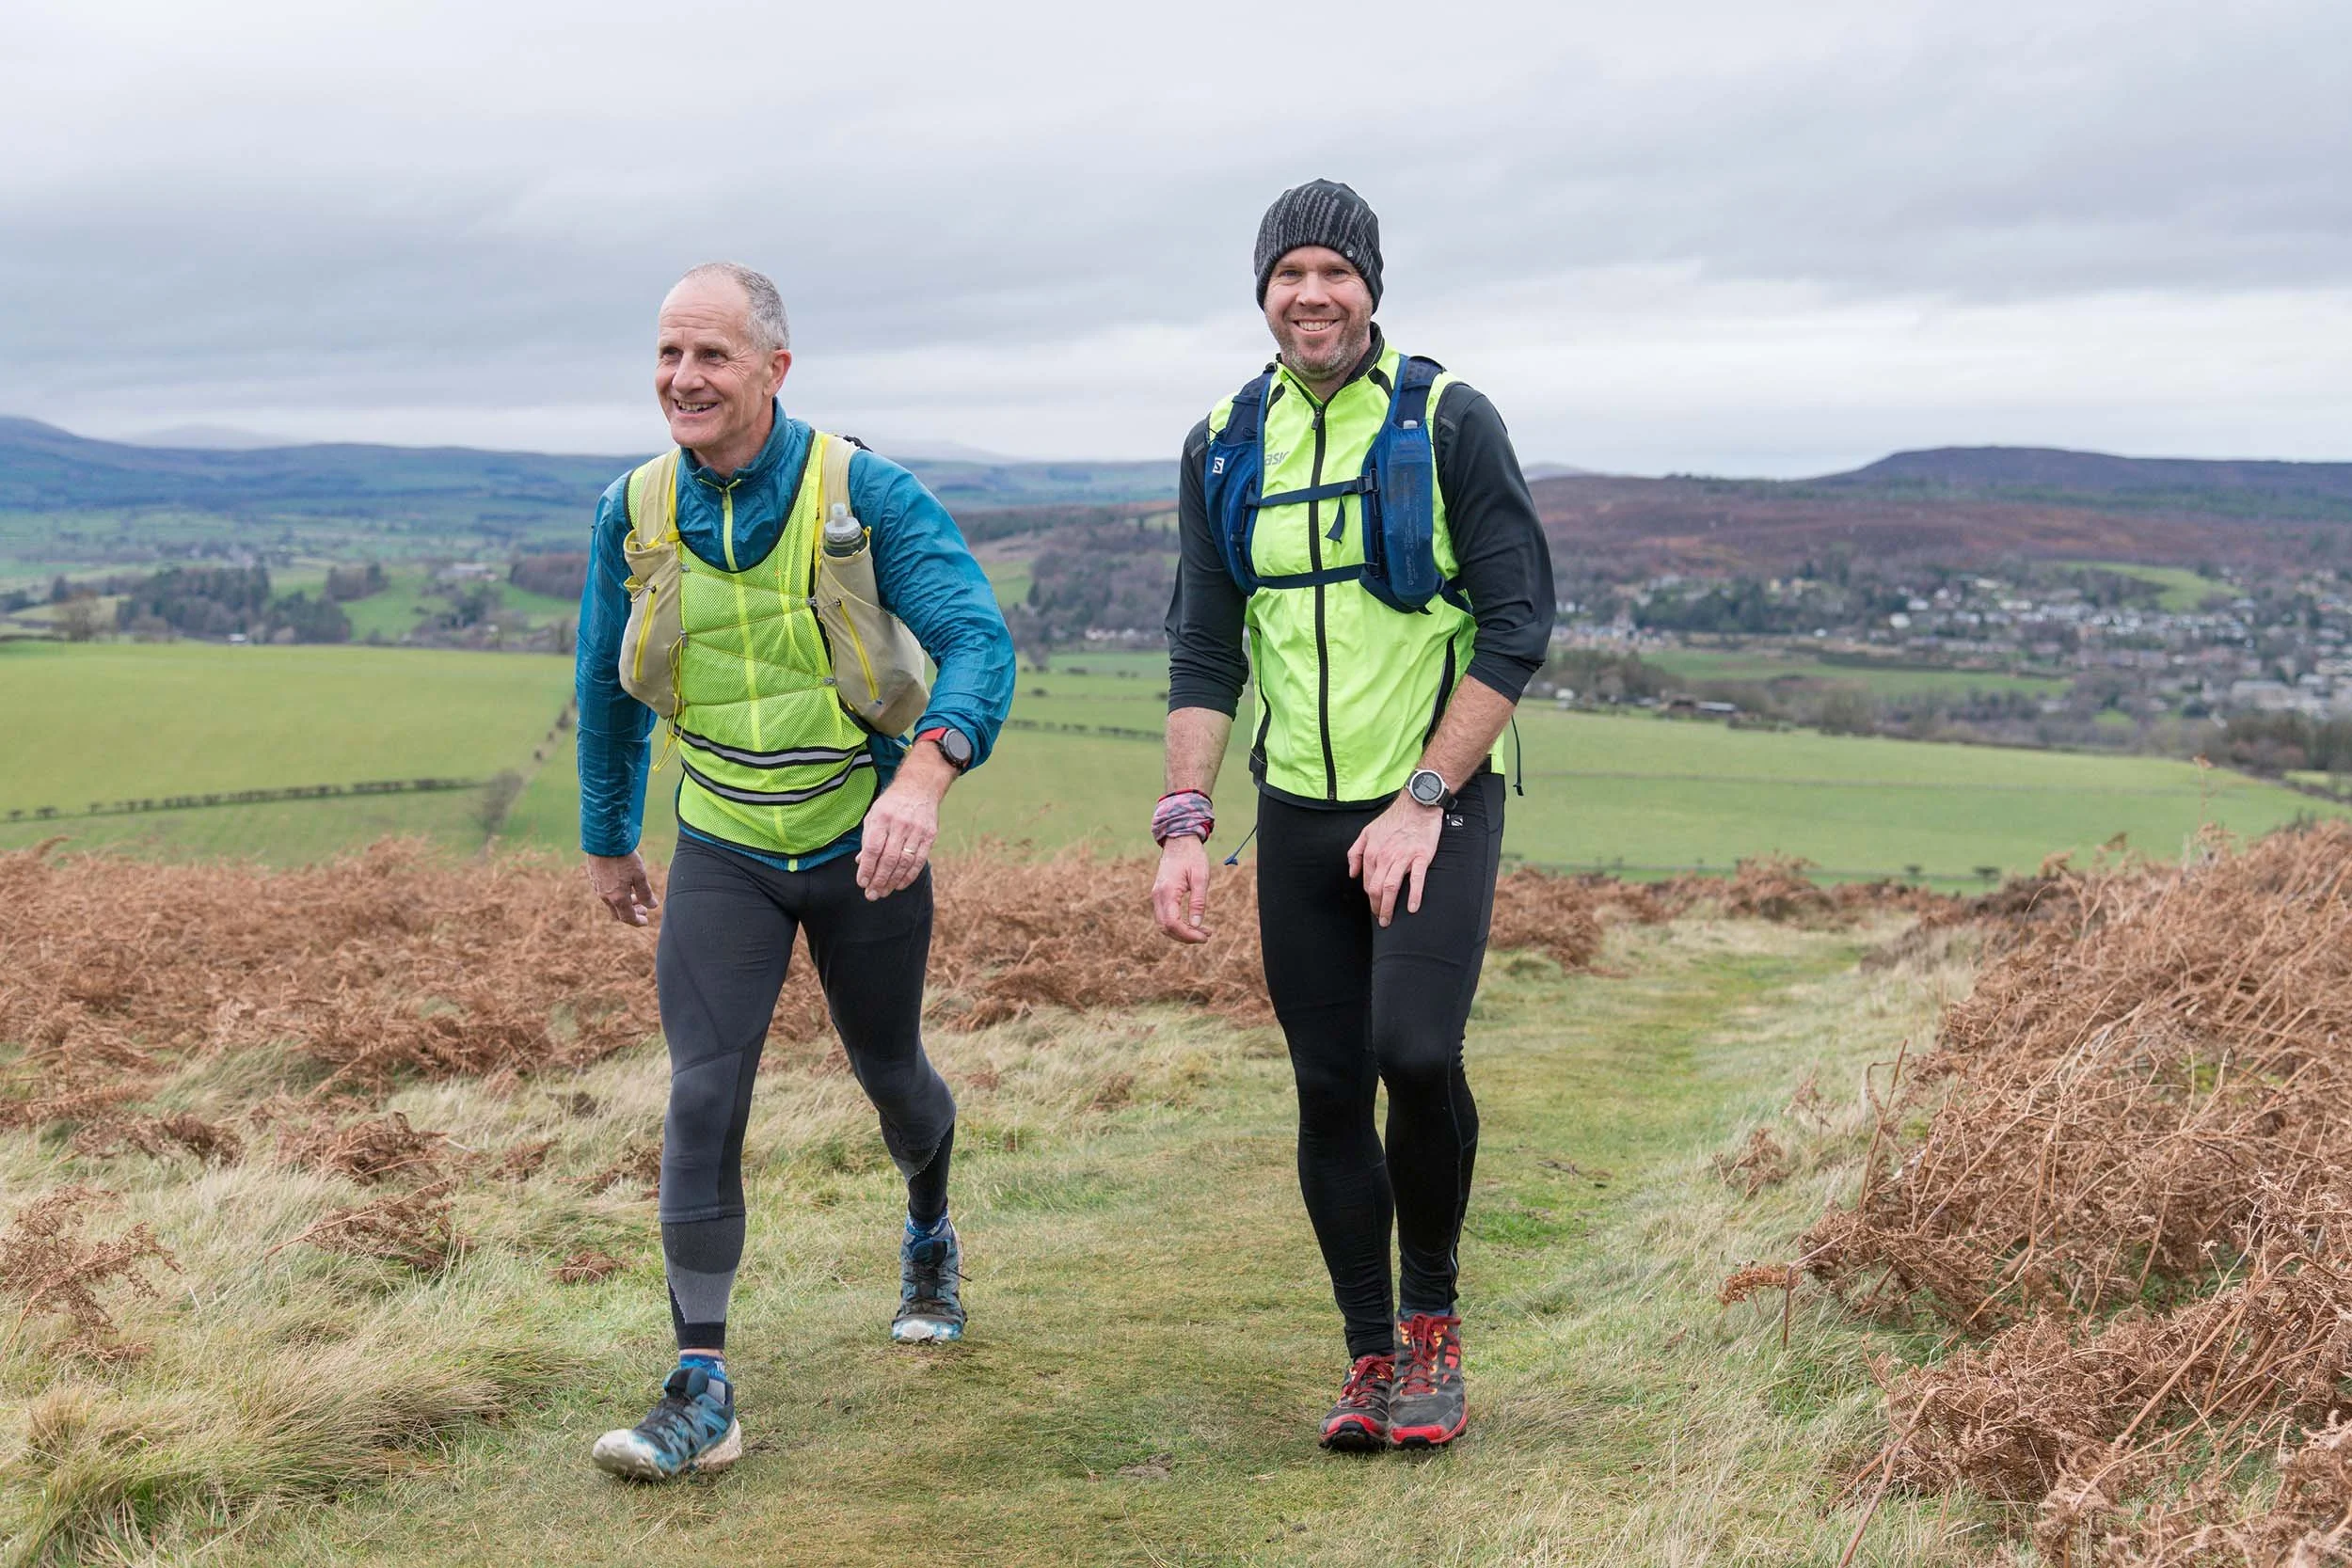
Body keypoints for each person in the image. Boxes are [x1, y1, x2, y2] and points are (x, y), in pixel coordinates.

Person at [577, 261, 1013, 1481]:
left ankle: (929, 1227)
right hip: (722, 841)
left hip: (860, 837)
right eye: (668, 353)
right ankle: (700, 1382)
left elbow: (977, 638)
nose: (683, 378)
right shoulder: (634, 509)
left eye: (711, 355)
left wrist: (924, 777)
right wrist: (609, 836)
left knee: (890, 1072)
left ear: (775, 369)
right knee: (704, 1090)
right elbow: (601, 684)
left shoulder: (861, 493)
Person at [1152, 182, 1555, 1450]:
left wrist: (1427, 794)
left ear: (1372, 286)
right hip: (1300, 812)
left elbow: (1518, 626)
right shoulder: (1222, 441)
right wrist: (1184, 819)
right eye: (1289, 274)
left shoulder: (1449, 421)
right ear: (1262, 291)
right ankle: (1370, 1355)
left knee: (1416, 1052)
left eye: (1335, 270)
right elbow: (1206, 648)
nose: (1311, 293)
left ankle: (1434, 1321)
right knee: (1329, 1085)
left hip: (1435, 802)